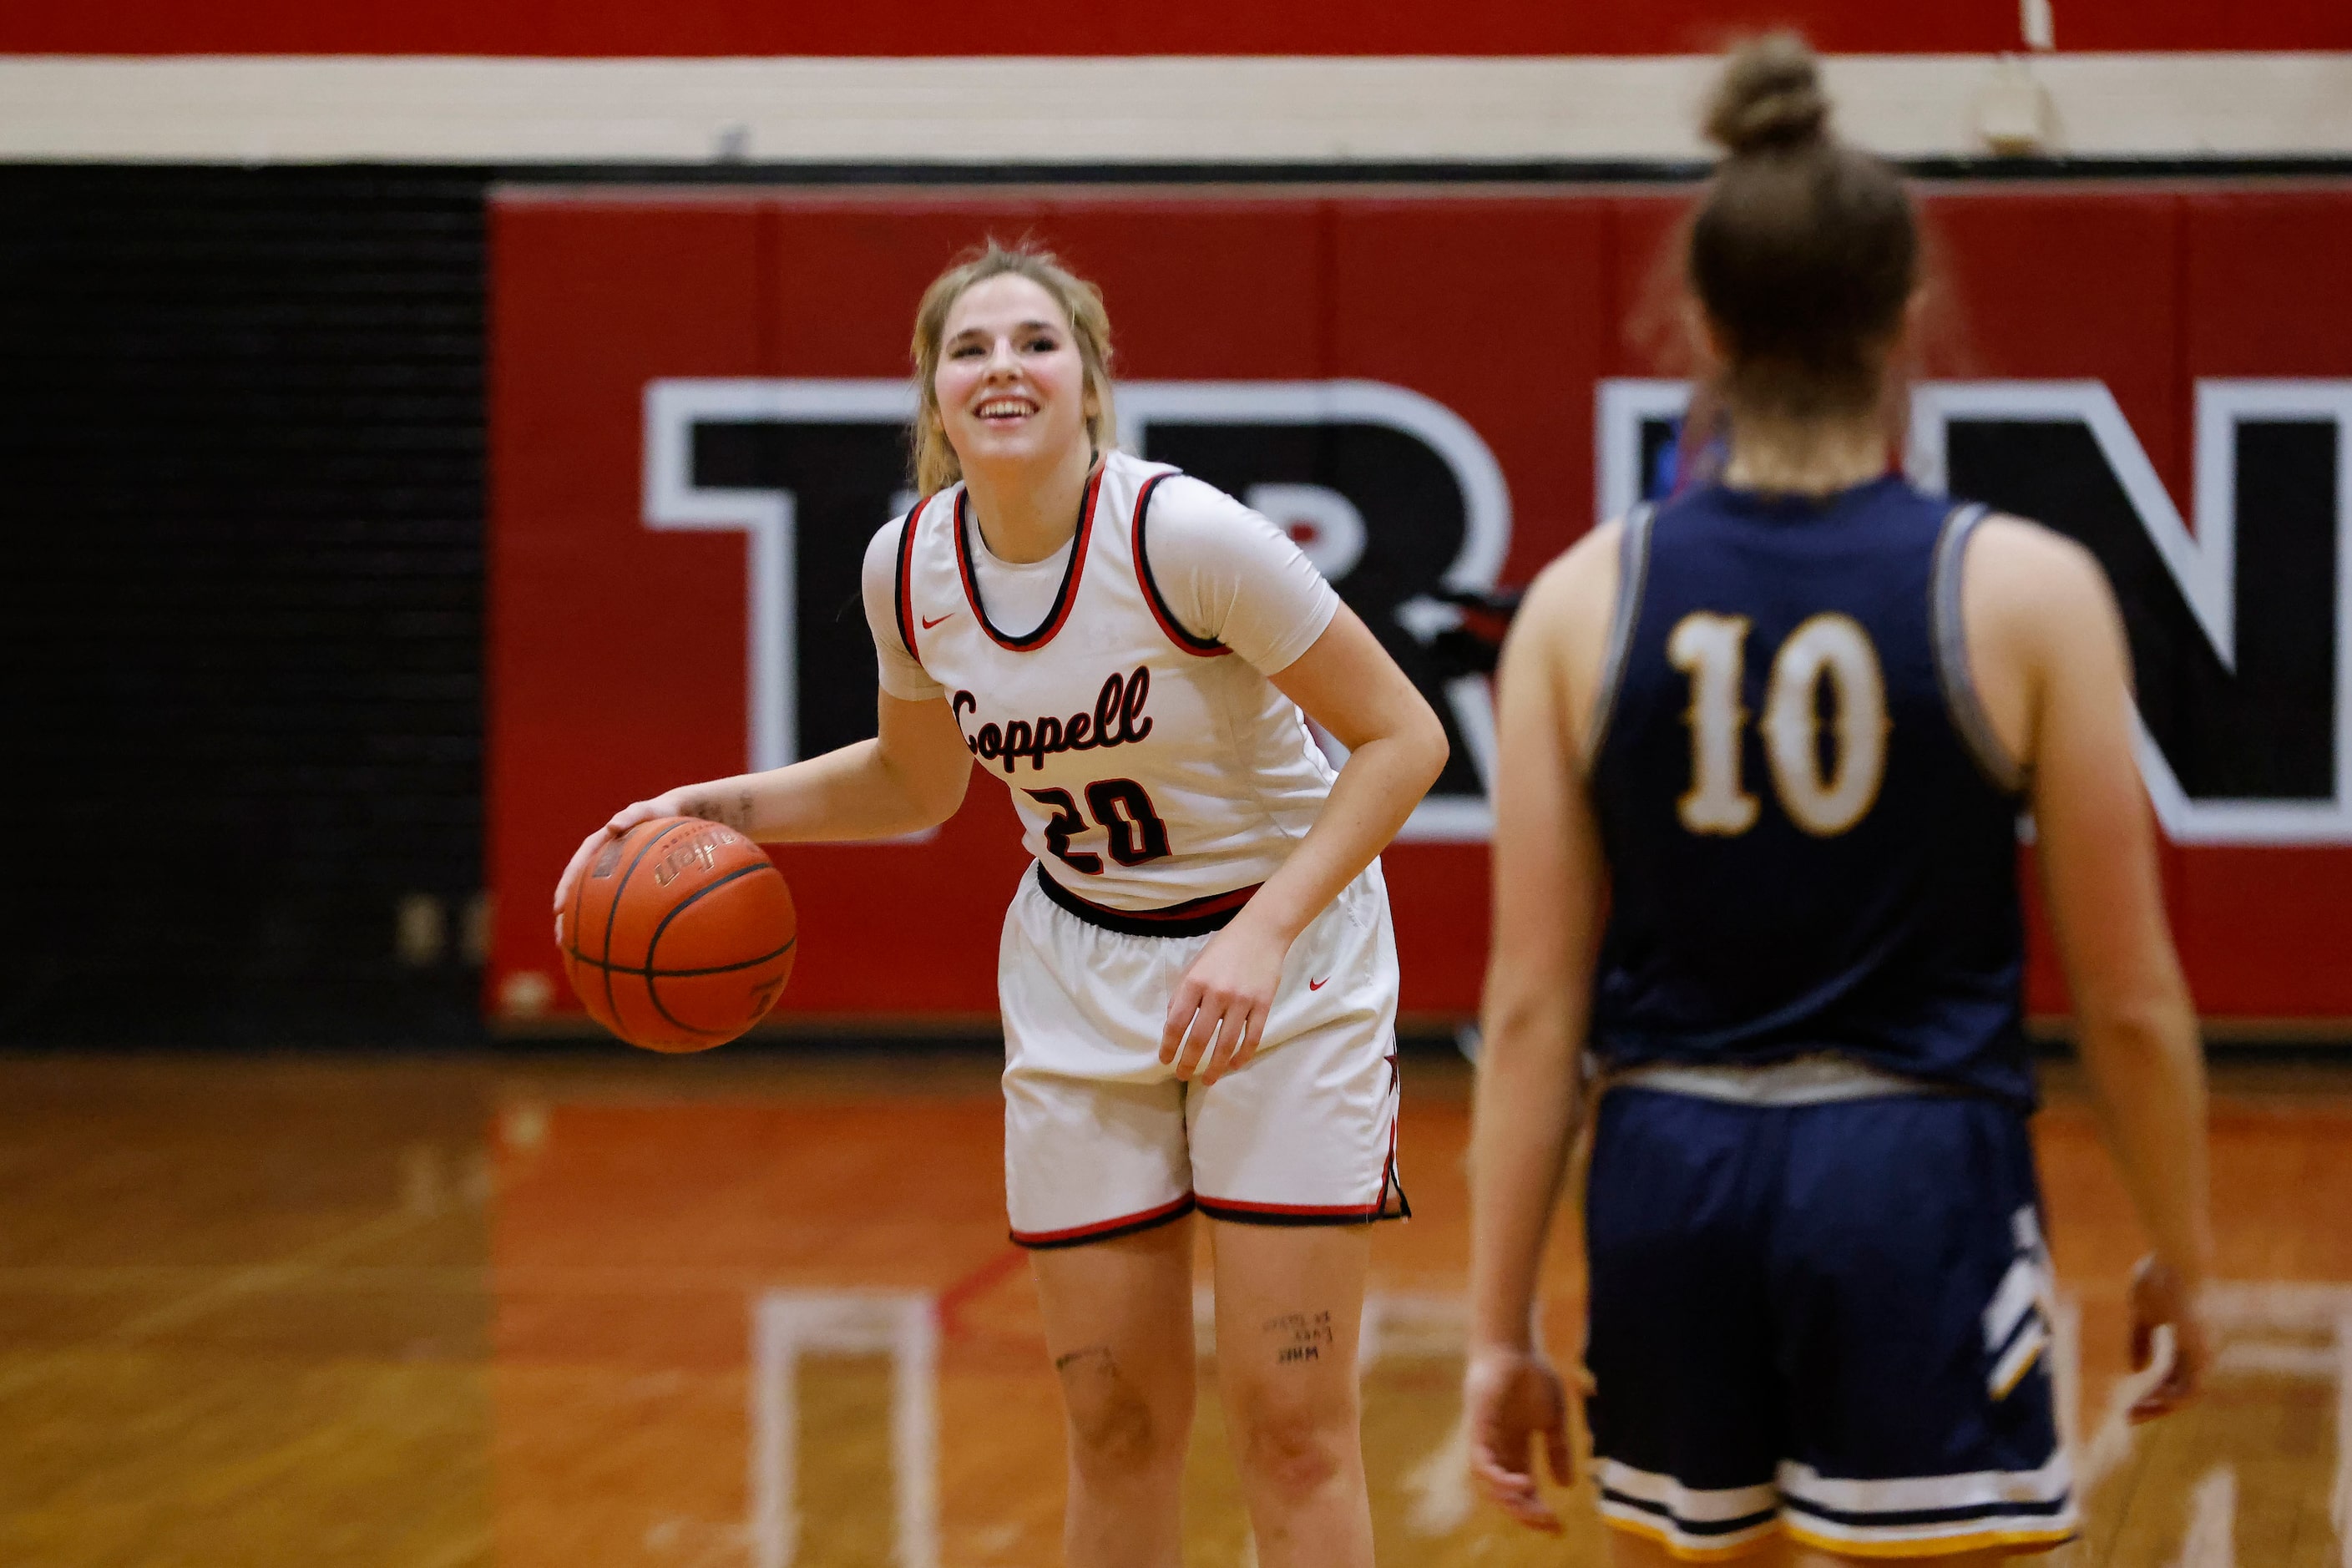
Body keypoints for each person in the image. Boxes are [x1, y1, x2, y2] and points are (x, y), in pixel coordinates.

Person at [554, 240, 1448, 1568]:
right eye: (966, 350)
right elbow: (913, 783)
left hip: (1287, 968)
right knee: (1114, 1416)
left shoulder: (1185, 537)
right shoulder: (906, 569)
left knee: (1294, 1425)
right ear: (932, 399)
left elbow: (1404, 740)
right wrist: (705, 807)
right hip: (1080, 970)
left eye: (1034, 342)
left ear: (1090, 384)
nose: (1001, 368)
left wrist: (1262, 934)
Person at [1463, 36, 2213, 1565]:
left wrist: (1494, 1328)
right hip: (1913, 1178)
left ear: (1700, 320)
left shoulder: (1578, 599)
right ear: (1907, 316)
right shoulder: (2023, 589)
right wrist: (2184, 1259)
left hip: (1666, 1174)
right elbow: (2127, 997)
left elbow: (1533, 1006)